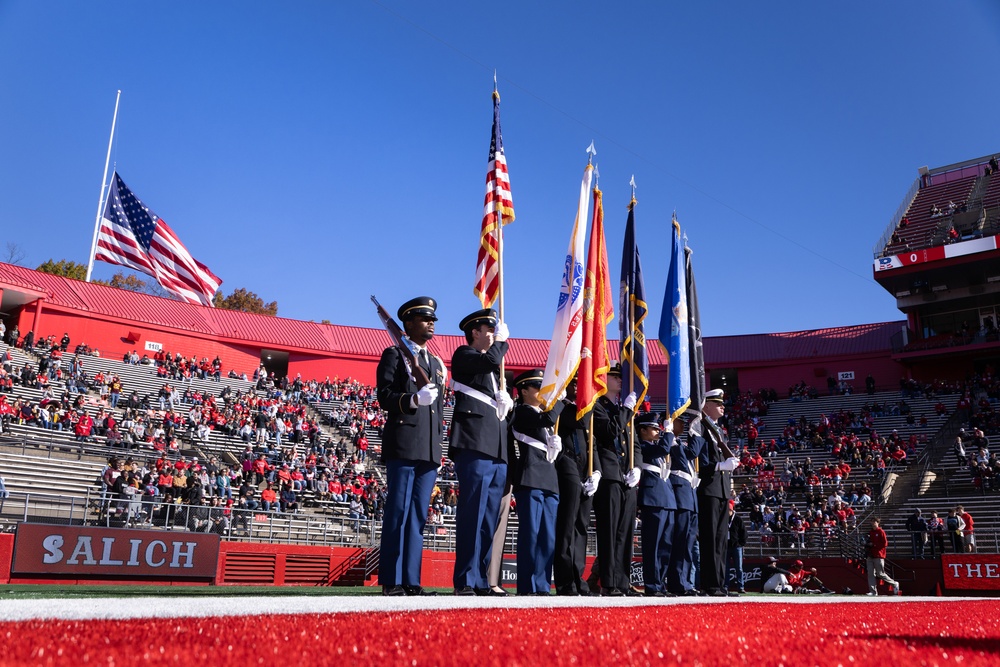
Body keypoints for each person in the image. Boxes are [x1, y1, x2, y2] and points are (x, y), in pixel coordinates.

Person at [375, 296, 445, 597]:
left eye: (432, 320)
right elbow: (385, 396)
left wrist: (438, 449)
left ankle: (411, 580)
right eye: (424, 319)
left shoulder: (434, 363)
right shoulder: (394, 354)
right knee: (399, 511)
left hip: (428, 449)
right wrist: (413, 400)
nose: (430, 324)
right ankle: (392, 579)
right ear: (408, 324)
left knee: (418, 515)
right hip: (404, 444)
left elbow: (439, 411)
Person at [449, 307, 513, 596]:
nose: (493, 333)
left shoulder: (494, 374)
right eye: (489, 329)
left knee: (489, 518)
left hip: (496, 447)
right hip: (474, 443)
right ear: (475, 332)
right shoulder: (464, 354)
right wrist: (501, 343)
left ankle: (480, 578)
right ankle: (465, 578)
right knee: (473, 513)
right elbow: (489, 360)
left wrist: (506, 404)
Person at [510, 369, 564, 596]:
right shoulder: (522, 411)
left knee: (547, 538)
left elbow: (547, 425)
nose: (542, 392)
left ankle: (542, 587)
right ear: (523, 391)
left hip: (549, 479)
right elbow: (548, 417)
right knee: (531, 535)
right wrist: (560, 400)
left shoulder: (544, 420)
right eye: (537, 387)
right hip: (530, 478)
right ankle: (527, 586)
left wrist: (555, 447)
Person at [591, 363, 639, 596]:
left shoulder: (622, 408)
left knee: (625, 533)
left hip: (626, 476)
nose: (620, 380)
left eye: (621, 377)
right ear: (603, 379)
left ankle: (622, 580)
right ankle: (608, 583)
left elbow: (635, 444)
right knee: (609, 532)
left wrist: (637, 467)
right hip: (609, 474)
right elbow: (610, 432)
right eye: (615, 376)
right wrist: (626, 411)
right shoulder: (598, 407)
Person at [553, 377, 601, 596]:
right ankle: (565, 580)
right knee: (567, 525)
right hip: (566, 462)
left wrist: (597, 471)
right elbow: (579, 422)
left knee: (581, 526)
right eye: (574, 383)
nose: (578, 387)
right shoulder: (559, 406)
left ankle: (578, 576)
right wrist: (587, 402)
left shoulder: (583, 410)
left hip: (585, 467)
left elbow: (592, 442)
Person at [694, 388, 740, 597]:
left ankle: (720, 584)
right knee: (710, 538)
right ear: (706, 405)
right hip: (708, 489)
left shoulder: (717, 431)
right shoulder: (701, 427)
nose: (722, 406)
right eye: (717, 402)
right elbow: (701, 464)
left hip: (721, 490)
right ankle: (710, 584)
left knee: (721, 539)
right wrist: (721, 466)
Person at [635, 412, 675, 597]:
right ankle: (651, 584)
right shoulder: (642, 446)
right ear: (642, 430)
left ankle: (660, 584)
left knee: (665, 546)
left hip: (666, 499)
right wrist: (668, 432)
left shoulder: (653, 446)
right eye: (654, 428)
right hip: (653, 499)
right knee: (653, 545)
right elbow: (663, 449)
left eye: (659, 428)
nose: (657, 431)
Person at [667, 414, 703, 596]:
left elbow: (692, 452)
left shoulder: (680, 443)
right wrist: (693, 432)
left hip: (689, 497)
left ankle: (686, 581)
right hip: (680, 497)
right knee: (680, 543)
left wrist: (695, 433)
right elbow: (690, 455)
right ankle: (677, 582)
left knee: (688, 544)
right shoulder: (670, 442)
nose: (685, 425)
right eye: (681, 421)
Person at [866, 518, 900, 596]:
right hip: (870, 554)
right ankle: (873, 591)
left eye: (874, 522)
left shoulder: (881, 531)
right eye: (872, 522)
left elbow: (885, 543)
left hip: (879, 555)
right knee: (870, 573)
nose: (873, 523)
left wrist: (874, 545)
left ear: (878, 523)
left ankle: (894, 583)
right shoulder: (870, 532)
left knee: (880, 573)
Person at [726, 499, 747, 594]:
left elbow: (744, 533)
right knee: (726, 568)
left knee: (739, 568)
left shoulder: (738, 519)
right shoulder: (723, 519)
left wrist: (741, 544)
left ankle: (740, 586)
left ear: (731, 510)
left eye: (728, 510)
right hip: (726, 547)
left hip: (736, 547)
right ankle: (725, 586)